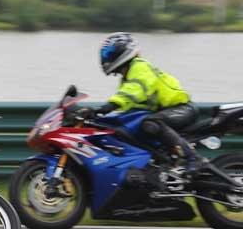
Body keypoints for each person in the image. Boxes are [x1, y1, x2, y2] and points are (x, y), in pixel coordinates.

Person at [86, 32, 200, 184]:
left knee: (151, 123)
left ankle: (193, 158)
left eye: (111, 54)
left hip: (181, 109)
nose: (107, 59)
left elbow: (134, 91)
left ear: (124, 51)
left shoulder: (140, 66)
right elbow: (132, 105)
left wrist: (107, 107)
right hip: (164, 112)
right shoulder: (127, 77)